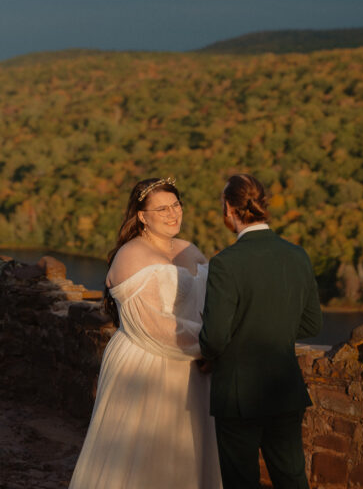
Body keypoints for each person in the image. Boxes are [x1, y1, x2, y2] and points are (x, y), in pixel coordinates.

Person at [69, 176, 222, 489]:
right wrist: (210, 346)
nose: (172, 213)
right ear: (142, 216)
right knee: (144, 457)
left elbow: (212, 306)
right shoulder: (131, 255)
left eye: (176, 205)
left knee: (188, 452)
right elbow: (152, 326)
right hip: (147, 365)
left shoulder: (190, 250)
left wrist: (215, 340)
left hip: (192, 369)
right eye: (162, 208)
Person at [199, 173, 323, 489]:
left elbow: (214, 338)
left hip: (237, 393)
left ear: (229, 209)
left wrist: (208, 355)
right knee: (292, 477)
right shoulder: (298, 255)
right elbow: (312, 324)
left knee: (241, 481)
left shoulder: (226, 263)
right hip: (284, 387)